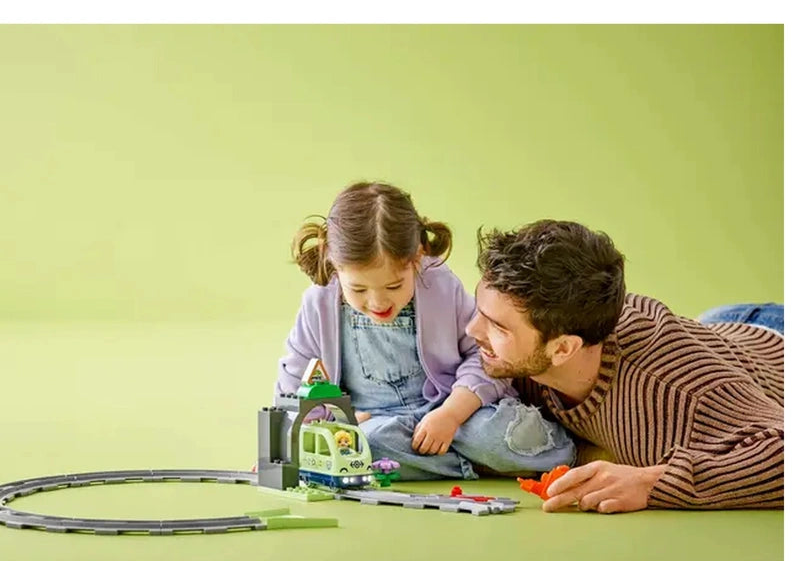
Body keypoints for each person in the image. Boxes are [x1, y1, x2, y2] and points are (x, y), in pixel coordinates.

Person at [468, 219, 783, 512]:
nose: (472, 331)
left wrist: (650, 483)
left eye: (498, 327)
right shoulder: (527, 349)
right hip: (721, 330)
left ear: (564, 348)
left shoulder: (678, 396)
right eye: (479, 311)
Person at [275, 182, 577, 481]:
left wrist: (451, 415)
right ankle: (477, 465)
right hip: (376, 424)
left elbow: (484, 358)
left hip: (451, 411)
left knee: (498, 435)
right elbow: (296, 383)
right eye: (358, 289)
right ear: (334, 265)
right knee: (361, 447)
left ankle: (547, 454)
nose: (378, 302)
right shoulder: (319, 304)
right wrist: (304, 442)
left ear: (417, 257)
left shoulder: (441, 286)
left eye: (394, 286)